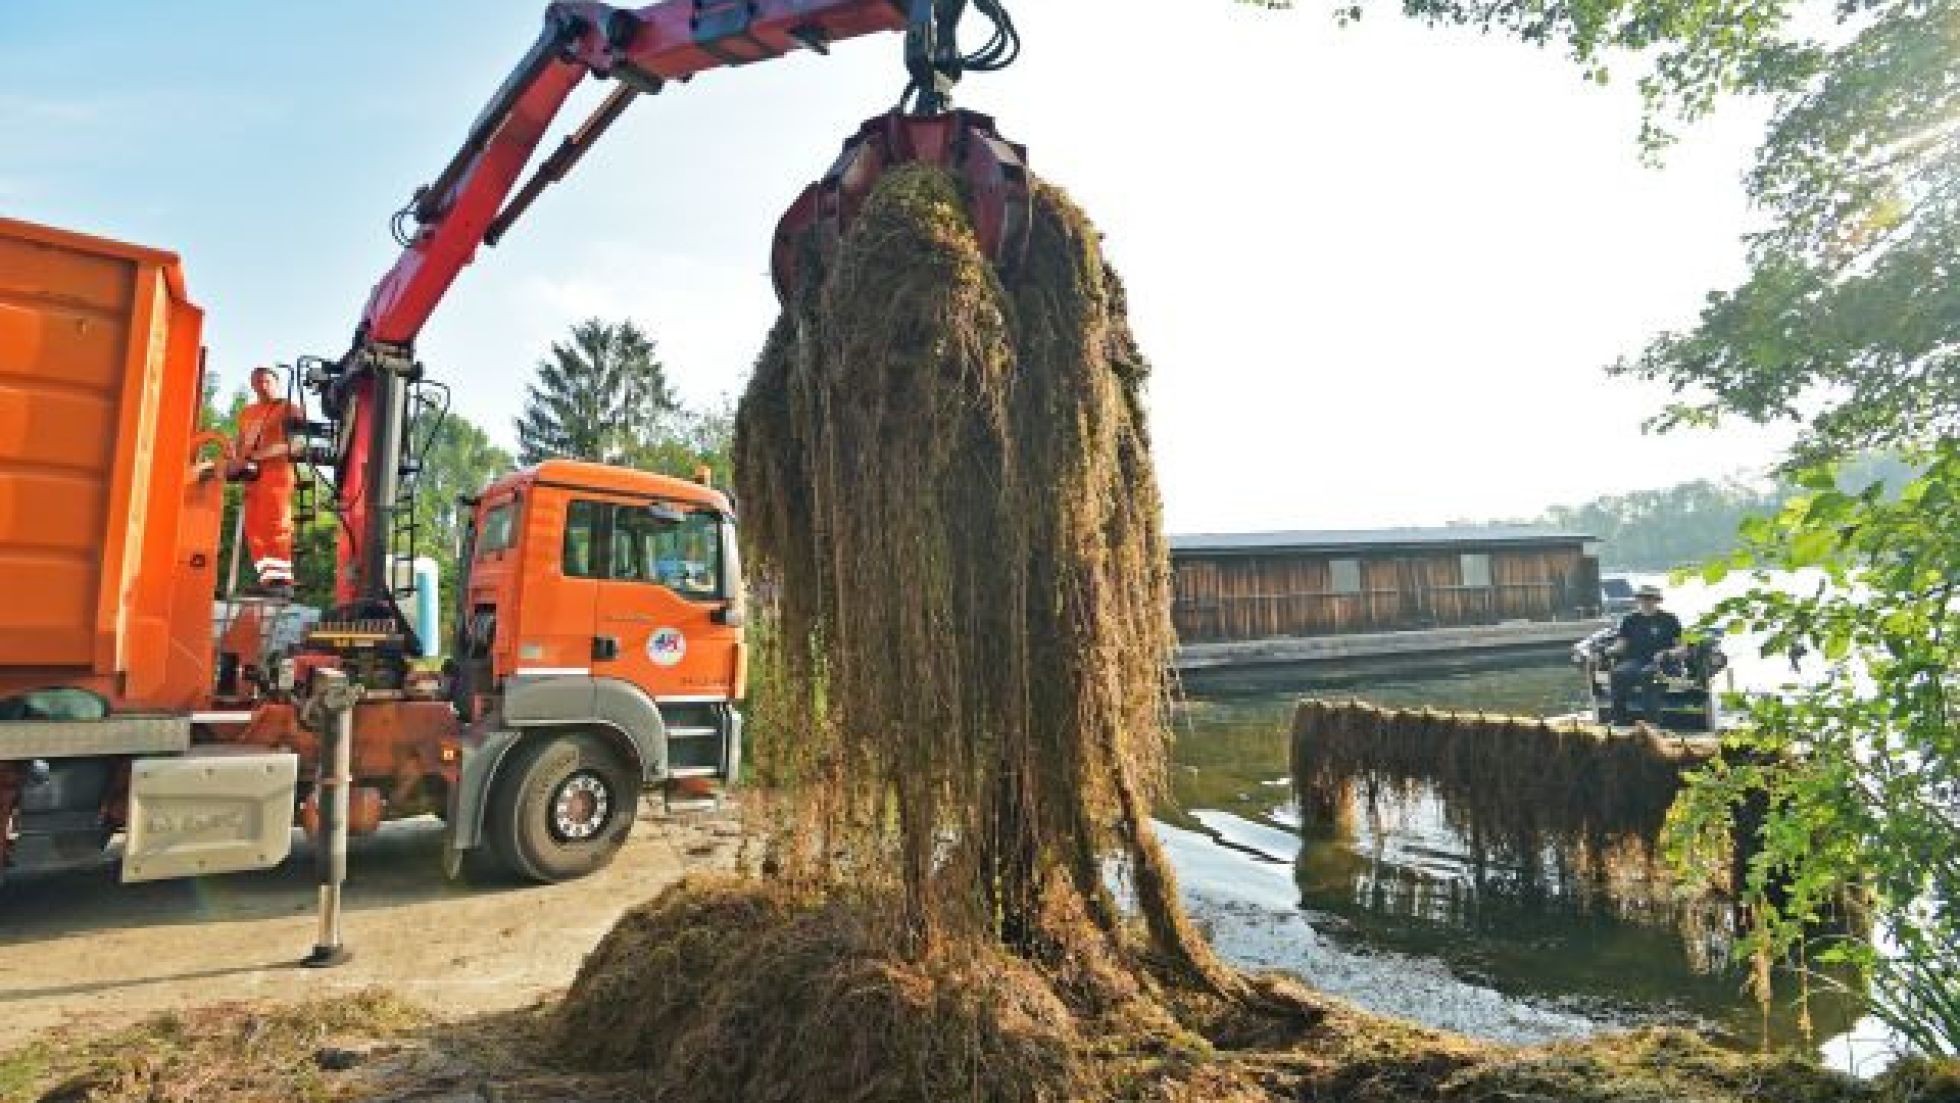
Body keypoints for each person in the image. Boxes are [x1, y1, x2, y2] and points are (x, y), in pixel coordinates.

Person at [230, 366, 300, 599]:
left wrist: (258, 455)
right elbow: (240, 441)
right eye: (257, 381)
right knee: (254, 528)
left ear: (276, 383)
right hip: (252, 476)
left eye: (266, 381)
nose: (262, 385)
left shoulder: (289, 409)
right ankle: (268, 580)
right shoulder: (246, 412)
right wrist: (235, 461)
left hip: (277, 474)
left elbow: (297, 444)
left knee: (275, 525)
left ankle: (283, 583)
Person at [1606, 584, 1684, 725]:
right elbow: (1621, 644)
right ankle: (1619, 719)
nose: (1646, 601)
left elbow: (1682, 647)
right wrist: (1608, 650)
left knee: (1648, 674)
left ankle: (1651, 723)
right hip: (1637, 661)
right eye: (1643, 597)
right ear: (1638, 599)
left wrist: (1668, 653)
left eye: (1650, 598)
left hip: (1664, 663)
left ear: (1657, 600)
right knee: (1617, 673)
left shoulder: (1669, 619)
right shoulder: (1629, 619)